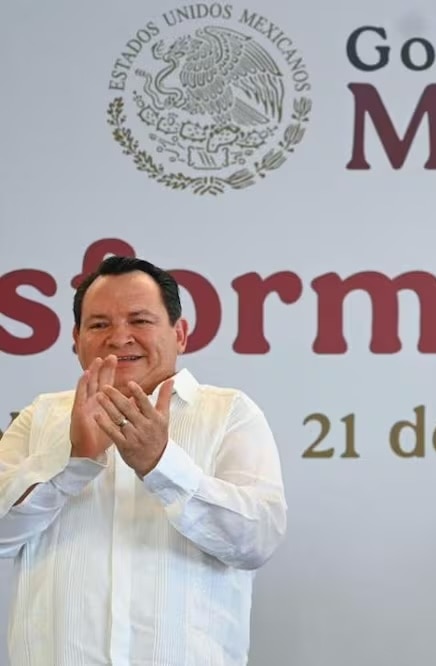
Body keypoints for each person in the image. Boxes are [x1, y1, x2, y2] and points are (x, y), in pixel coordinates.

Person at [0, 256, 287, 666]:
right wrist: (72, 460)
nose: (120, 338)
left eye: (140, 320)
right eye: (100, 325)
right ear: (76, 338)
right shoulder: (40, 418)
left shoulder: (230, 414)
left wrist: (161, 463)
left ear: (180, 334)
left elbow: (257, 540)